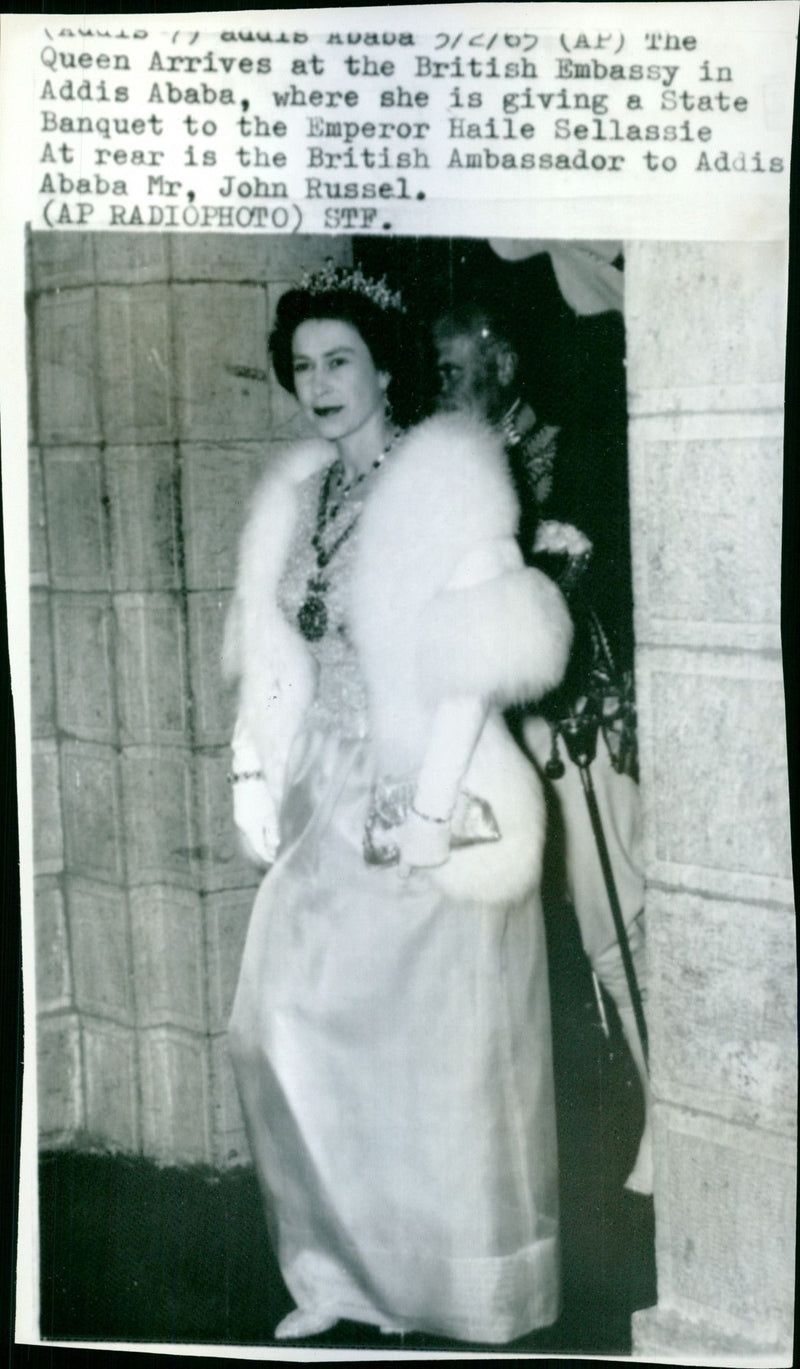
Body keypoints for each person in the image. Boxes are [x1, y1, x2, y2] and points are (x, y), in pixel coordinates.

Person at [223, 264, 575, 1344]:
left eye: (339, 360)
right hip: (326, 797)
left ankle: (448, 1289)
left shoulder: (447, 480)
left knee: (430, 1051)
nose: (319, 384)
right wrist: (251, 769)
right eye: (302, 366)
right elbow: (276, 655)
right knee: (280, 1025)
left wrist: (428, 812)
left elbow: (478, 662)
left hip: (430, 786)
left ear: (384, 366)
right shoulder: (295, 494)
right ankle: (336, 1273)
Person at [433, 303, 653, 1196]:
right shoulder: (444, 468)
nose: (442, 386)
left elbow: (586, 579)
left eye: (454, 368)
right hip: (486, 725)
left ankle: (673, 1110)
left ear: (504, 362)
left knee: (615, 923)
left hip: (572, 721)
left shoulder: (566, 449)